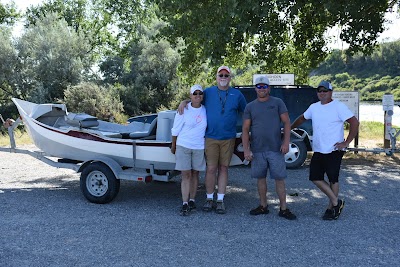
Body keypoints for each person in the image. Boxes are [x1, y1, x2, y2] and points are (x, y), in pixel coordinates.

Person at [178, 66, 247, 214]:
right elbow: (196, 99)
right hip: (210, 138)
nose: (223, 77)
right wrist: (184, 101)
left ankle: (220, 200)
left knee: (224, 169)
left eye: (226, 75)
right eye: (220, 75)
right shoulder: (208, 92)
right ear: (216, 77)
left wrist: (248, 131)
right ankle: (209, 199)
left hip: (228, 138)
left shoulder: (237, 94)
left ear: (230, 78)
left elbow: (246, 112)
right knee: (210, 169)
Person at [291, 81, 359, 220]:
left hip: (334, 149)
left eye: (325, 91)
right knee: (315, 177)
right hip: (319, 149)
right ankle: (336, 202)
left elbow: (354, 122)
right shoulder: (314, 107)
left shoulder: (338, 106)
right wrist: (290, 127)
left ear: (331, 92)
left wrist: (346, 142)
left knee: (333, 179)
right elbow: (302, 118)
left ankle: (331, 209)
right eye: (319, 91)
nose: (322, 93)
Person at [241, 75, 297, 220]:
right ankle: (263, 206)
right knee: (260, 178)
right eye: (259, 86)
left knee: (279, 179)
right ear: (255, 88)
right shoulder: (250, 106)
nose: (261, 89)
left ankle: (283, 208)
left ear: (269, 88)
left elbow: (286, 123)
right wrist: (246, 149)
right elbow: (246, 129)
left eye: (264, 86)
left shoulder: (277, 102)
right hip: (258, 149)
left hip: (276, 148)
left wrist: (285, 143)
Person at [171, 84, 207, 216]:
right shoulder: (183, 109)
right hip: (184, 145)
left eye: (200, 93)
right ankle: (184, 203)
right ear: (190, 95)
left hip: (198, 146)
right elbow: (175, 129)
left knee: (195, 174)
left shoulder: (205, 110)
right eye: (195, 93)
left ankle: (192, 200)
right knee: (186, 175)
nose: (198, 96)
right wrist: (173, 145)